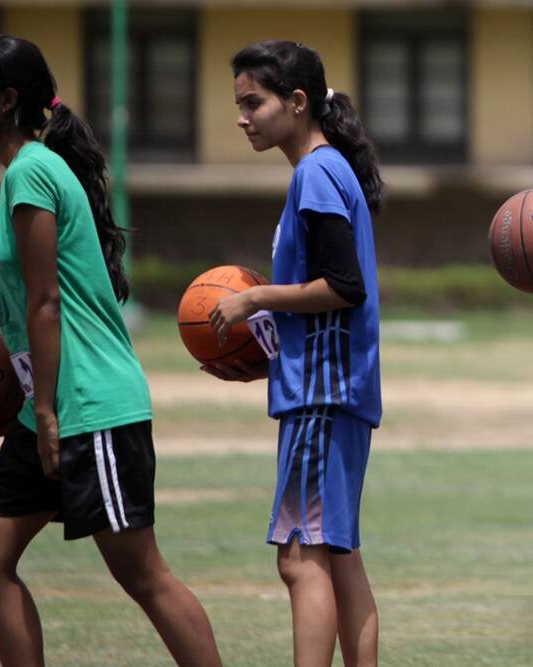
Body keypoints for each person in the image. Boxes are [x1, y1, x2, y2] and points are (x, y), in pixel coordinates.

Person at [0, 35, 222, 667]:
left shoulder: (30, 172)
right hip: (46, 408)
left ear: (7, 99)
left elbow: (46, 302)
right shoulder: (31, 169)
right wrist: (19, 405)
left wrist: (46, 413)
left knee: (144, 577)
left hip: (86, 408)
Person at [204, 40, 382, 667]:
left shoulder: (315, 173)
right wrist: (259, 352)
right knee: (338, 556)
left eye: (253, 102)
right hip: (331, 391)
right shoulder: (327, 170)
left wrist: (254, 302)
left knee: (300, 558)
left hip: (322, 398)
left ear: (298, 102)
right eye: (239, 104)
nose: (242, 116)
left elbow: (342, 287)